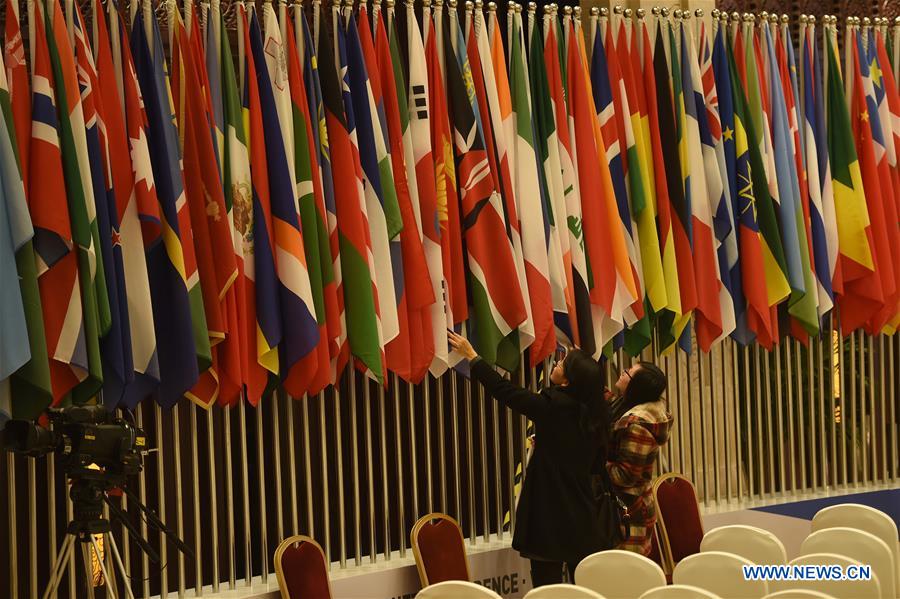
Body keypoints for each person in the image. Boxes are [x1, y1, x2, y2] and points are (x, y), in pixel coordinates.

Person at [448, 331, 613, 587]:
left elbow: (505, 391)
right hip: (583, 513)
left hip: (548, 512)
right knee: (587, 589)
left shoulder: (553, 407)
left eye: (562, 364)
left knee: (546, 590)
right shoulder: (597, 414)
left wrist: (473, 357)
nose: (556, 364)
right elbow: (592, 463)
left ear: (568, 381)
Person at [605, 361, 672, 556]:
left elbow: (624, 475)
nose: (623, 372)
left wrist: (591, 465)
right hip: (622, 509)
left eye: (629, 372)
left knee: (625, 580)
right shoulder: (626, 404)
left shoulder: (637, 425)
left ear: (637, 386)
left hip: (629, 513)